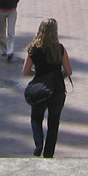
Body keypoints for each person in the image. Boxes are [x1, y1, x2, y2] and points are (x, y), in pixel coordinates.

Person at [22, 18, 73, 158]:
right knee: (54, 121)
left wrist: (38, 73)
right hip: (57, 88)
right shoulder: (60, 48)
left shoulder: (34, 49)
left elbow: (25, 71)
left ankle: (38, 143)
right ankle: (49, 153)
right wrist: (58, 76)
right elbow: (69, 71)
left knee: (36, 118)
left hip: (40, 87)